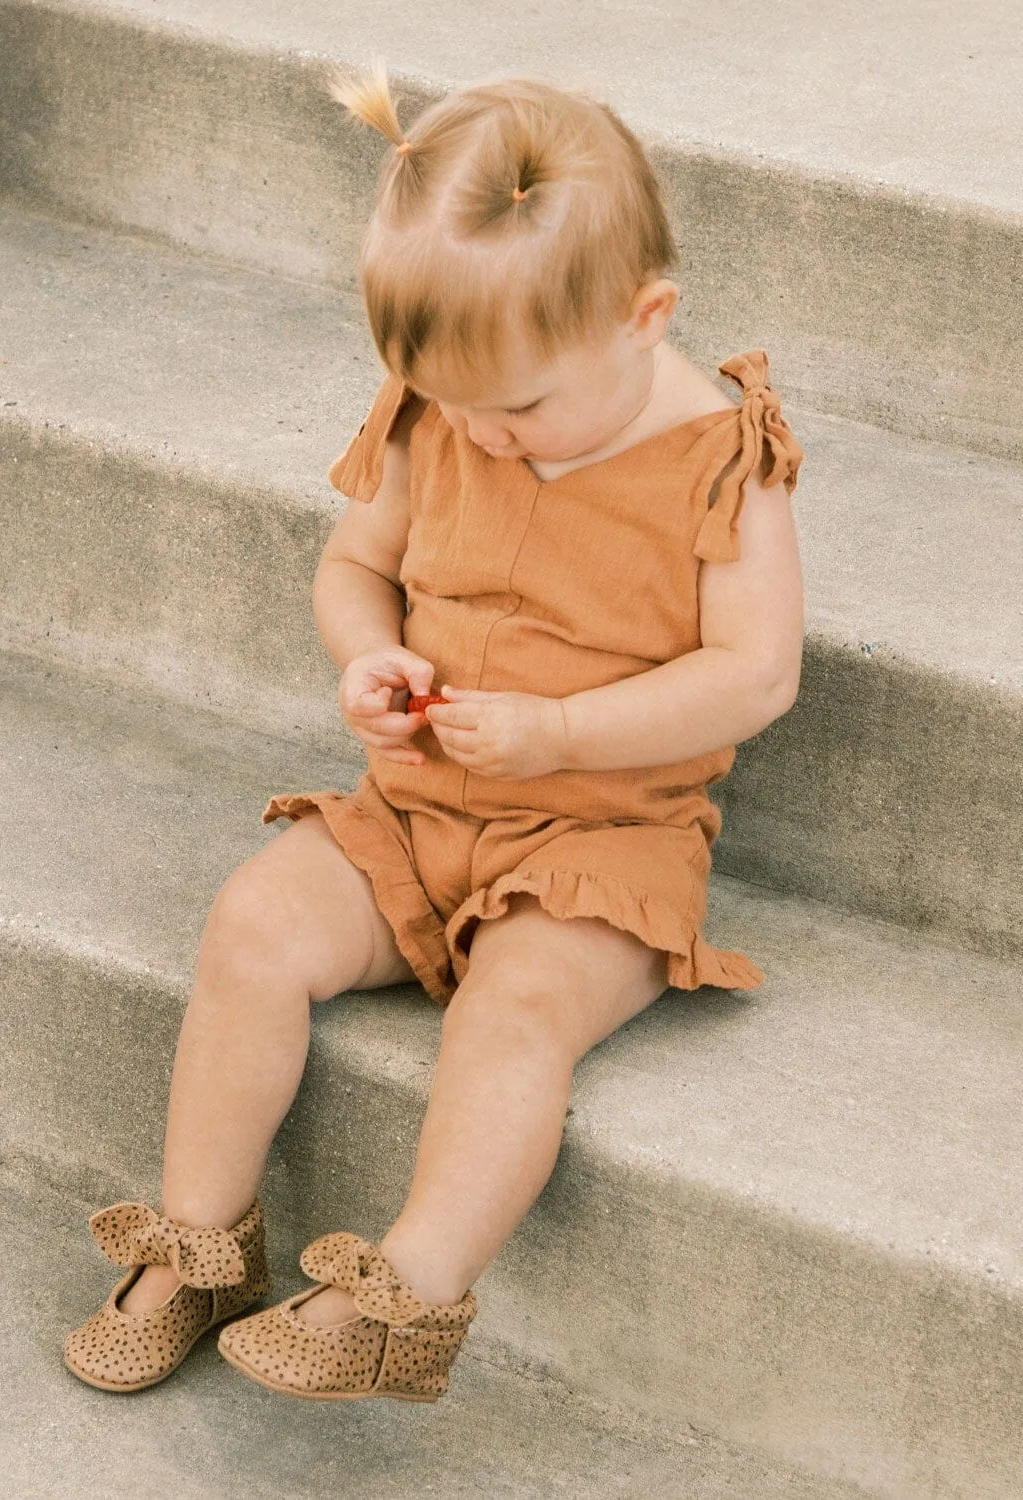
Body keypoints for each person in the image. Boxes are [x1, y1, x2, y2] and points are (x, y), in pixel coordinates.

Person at [64, 64, 804, 1402]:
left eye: (516, 408)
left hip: (604, 843)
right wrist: (371, 657)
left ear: (647, 320)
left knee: (514, 1016)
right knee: (250, 926)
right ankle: (201, 1238)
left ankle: (401, 1291)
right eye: (449, 402)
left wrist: (566, 727)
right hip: (419, 810)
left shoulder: (721, 460)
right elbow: (356, 569)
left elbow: (754, 677)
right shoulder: (447, 405)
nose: (479, 433)